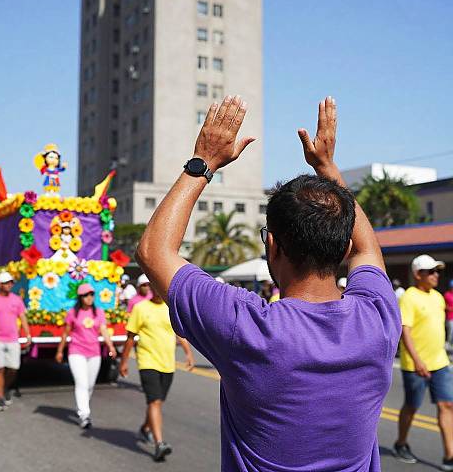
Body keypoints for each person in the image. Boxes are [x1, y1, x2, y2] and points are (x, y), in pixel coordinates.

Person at [134, 95, 401, 470]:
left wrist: (204, 162)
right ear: (342, 248)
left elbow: (152, 251)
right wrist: (327, 167)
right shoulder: (378, 316)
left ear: (272, 245)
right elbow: (368, 249)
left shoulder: (249, 327)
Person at [119, 290, 195, 462]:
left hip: (167, 363)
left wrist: (188, 352)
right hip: (147, 362)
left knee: (158, 401)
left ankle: (146, 428)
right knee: (154, 401)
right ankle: (159, 444)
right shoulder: (140, 308)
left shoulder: (170, 308)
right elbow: (130, 337)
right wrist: (123, 362)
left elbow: (179, 333)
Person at [394, 254, 453, 468]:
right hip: (416, 366)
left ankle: (449, 455)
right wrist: (418, 361)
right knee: (412, 406)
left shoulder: (437, 297)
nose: (436, 275)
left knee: (447, 405)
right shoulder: (409, 297)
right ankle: (401, 443)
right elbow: (405, 331)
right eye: (431, 271)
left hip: (440, 363)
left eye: (437, 271)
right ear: (418, 274)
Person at [56, 283, 117, 429]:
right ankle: (84, 414)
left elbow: (104, 330)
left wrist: (111, 346)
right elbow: (66, 333)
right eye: (86, 295)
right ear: (80, 297)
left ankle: (83, 408)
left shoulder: (98, 312)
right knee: (82, 383)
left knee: (89, 385)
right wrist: (59, 350)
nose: (89, 298)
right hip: (76, 352)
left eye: (91, 294)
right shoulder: (73, 313)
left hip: (94, 353)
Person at [0, 272, 31, 411]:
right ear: (0, 285)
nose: (9, 285)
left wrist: (28, 334)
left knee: (13, 368)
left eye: (11, 283)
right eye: (6, 283)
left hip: (13, 339)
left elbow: (23, 317)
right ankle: (0, 397)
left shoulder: (17, 300)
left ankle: (5, 387)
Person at [445, 280, 453, 348]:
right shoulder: (447, 294)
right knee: (450, 331)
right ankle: (448, 344)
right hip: (449, 317)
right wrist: (450, 308)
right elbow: (444, 306)